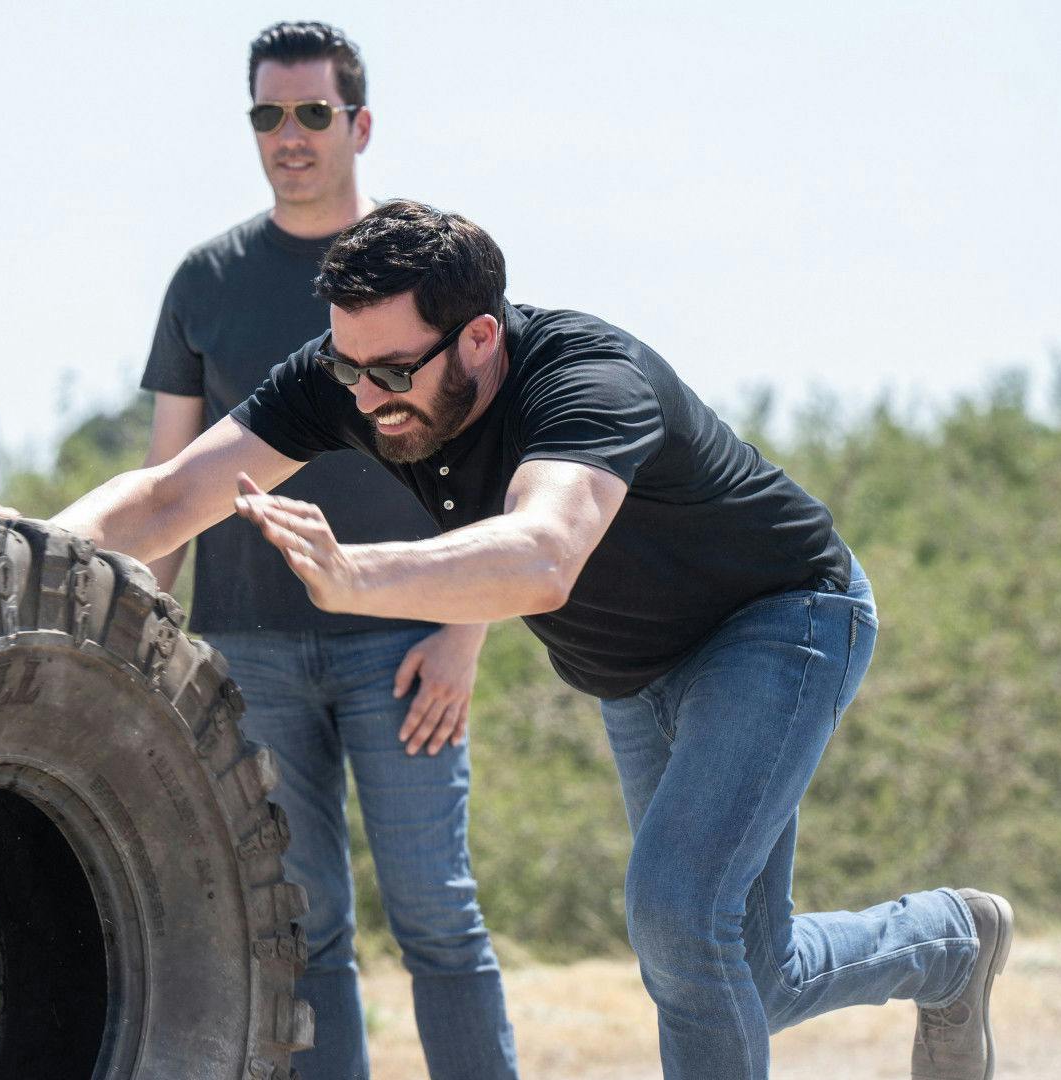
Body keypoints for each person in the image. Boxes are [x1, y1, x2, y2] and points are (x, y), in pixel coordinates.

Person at [49, 199, 1012, 1080]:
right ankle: (954, 943)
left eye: (392, 372)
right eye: (348, 367)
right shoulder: (350, 380)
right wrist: (17, 555)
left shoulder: (589, 379)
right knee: (743, 969)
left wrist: (357, 576)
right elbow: (173, 494)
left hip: (780, 621)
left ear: (478, 337)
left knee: (678, 918)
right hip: (634, 673)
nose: (368, 396)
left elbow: (544, 554)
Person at [0, 24, 517, 1078]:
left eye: (313, 113)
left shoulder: (422, 271)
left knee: (437, 918)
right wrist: (40, 570)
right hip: (250, 651)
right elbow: (168, 489)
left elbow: (493, 459)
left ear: (360, 124)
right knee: (301, 928)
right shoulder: (205, 278)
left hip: (401, 643)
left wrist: (465, 631)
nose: (290, 135)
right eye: (268, 114)